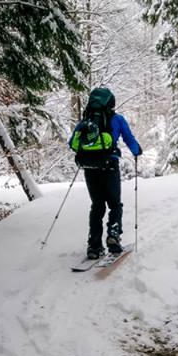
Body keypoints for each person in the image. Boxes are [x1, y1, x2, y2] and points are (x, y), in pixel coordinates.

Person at [69, 88, 142, 258]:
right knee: (115, 204)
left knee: (97, 206)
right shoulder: (117, 119)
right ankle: (113, 235)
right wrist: (137, 151)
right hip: (109, 166)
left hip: (89, 168)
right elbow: (129, 139)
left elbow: (72, 144)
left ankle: (94, 246)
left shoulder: (85, 121)